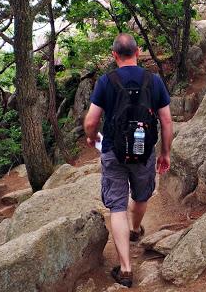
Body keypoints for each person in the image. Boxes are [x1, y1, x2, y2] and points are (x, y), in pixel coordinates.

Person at [83, 34, 173, 288]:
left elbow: (91, 122)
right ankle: (135, 229)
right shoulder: (153, 81)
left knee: (117, 207)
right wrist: (165, 152)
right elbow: (166, 121)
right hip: (144, 152)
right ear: (138, 51)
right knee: (141, 196)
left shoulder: (106, 81)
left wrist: (93, 139)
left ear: (114, 55)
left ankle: (125, 270)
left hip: (113, 150)